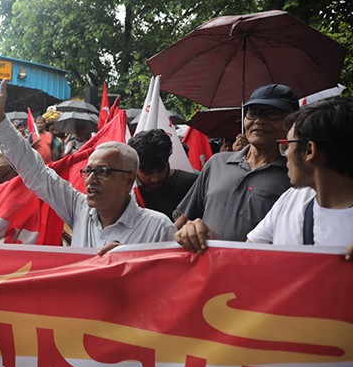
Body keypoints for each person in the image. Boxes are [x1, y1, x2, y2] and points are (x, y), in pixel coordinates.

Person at [0, 65, 175, 253]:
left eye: (102, 172)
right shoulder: (79, 208)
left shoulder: (158, 228)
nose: (91, 180)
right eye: (88, 171)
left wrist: (130, 262)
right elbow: (35, 171)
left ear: (129, 180)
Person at [178, 96, 353, 259]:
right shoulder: (290, 201)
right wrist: (209, 239)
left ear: (309, 151)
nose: (286, 153)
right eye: (253, 113)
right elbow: (244, 259)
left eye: (287, 145)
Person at [175, 83, 297, 242]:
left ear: (292, 121)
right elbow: (185, 219)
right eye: (253, 113)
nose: (259, 121)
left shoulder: (293, 177)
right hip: (207, 263)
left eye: (272, 114)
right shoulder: (216, 163)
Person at [128, 129, 198, 220]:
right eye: (147, 173)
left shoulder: (192, 184)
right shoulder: (127, 192)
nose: (155, 179)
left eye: (160, 170)